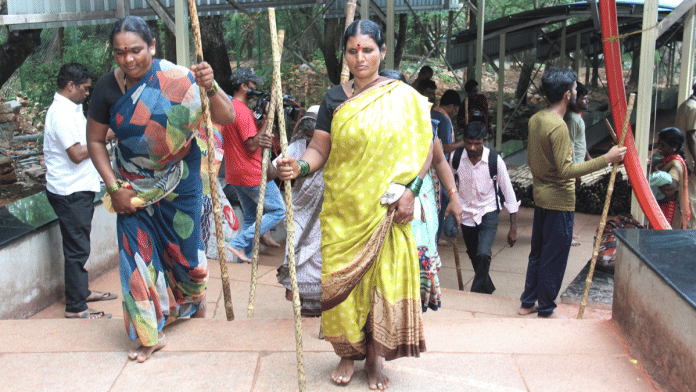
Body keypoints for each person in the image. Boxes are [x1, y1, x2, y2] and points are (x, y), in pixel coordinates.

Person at [277, 20, 431, 390]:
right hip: (343, 213)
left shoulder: (403, 96)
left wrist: (412, 190)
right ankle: (347, 354)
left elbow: (423, 149)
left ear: (382, 51)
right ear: (345, 54)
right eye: (352, 51)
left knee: (381, 284)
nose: (359, 58)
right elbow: (319, 149)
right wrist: (297, 166)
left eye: (367, 50)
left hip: (385, 210)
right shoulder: (333, 98)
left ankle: (375, 360)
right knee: (340, 288)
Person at [86, 16, 235, 362]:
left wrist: (210, 86)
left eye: (136, 50)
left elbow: (226, 117)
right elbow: (94, 141)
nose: (128, 59)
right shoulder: (107, 88)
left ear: (152, 46)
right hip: (131, 189)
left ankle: (193, 304)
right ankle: (148, 334)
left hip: (180, 184)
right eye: (120, 53)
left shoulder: (181, 78)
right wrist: (113, 187)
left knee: (186, 257)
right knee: (135, 258)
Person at [519, 67, 626, 318]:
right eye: (576, 89)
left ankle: (528, 302)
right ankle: (545, 307)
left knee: (538, 253)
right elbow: (567, 170)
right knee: (553, 257)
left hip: (541, 196)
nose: (578, 93)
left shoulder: (537, 119)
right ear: (567, 95)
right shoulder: (558, 127)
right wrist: (607, 159)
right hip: (558, 200)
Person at [385, 69, 463, 311]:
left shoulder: (422, 124)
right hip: (380, 202)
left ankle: (408, 315)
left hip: (419, 204)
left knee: (413, 264)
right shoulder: (367, 122)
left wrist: (454, 196)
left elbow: (439, 161)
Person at [44, 63, 118, 320]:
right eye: (85, 88)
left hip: (77, 189)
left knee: (79, 246)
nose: (88, 93)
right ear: (71, 86)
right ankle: (76, 307)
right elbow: (76, 154)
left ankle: (81, 291)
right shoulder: (60, 113)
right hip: (69, 191)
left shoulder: (72, 108)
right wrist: (103, 137)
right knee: (77, 249)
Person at [223, 67, 286, 263]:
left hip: (236, 174)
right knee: (278, 210)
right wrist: (267, 121)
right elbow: (251, 145)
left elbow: (249, 140)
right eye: (253, 85)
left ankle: (244, 259)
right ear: (244, 87)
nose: (256, 88)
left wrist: (263, 125)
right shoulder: (242, 111)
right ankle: (238, 244)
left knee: (251, 217)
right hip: (251, 173)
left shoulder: (230, 107)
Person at [267, 106, 323, 317]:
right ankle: (300, 304)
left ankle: (318, 304)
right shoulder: (297, 146)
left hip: (325, 212)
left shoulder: (336, 147)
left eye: (314, 138)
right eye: (308, 138)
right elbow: (271, 173)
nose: (310, 144)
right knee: (296, 252)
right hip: (300, 210)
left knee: (319, 258)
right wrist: (267, 157)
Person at [451, 122, 519, 294]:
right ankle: (486, 288)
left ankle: (475, 292)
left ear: (485, 141)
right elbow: (450, 184)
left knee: (483, 254)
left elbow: (508, 192)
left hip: (488, 211)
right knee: (474, 255)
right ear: (463, 140)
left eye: (477, 144)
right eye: (469, 143)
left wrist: (514, 227)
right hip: (466, 214)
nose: (473, 148)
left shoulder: (495, 160)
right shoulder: (456, 158)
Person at [196, 123, 240, 261]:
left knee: (206, 210)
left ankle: (201, 254)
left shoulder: (218, 129)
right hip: (197, 179)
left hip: (208, 181)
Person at [431, 89, 462, 246]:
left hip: (433, 167)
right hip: (437, 169)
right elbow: (447, 147)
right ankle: (436, 236)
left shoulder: (432, 112)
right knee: (441, 201)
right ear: (451, 106)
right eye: (455, 108)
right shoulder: (442, 119)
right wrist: (464, 142)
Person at [564, 81, 591, 246]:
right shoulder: (571, 120)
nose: (587, 101)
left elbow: (581, 141)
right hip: (573, 169)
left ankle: (569, 232)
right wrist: (575, 172)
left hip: (578, 166)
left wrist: (587, 156)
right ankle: (566, 234)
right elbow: (570, 146)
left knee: (571, 201)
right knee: (568, 202)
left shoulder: (577, 118)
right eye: (584, 98)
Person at [650, 127, 691, 229]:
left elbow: (668, 191)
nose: (659, 147)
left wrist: (656, 174)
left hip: (669, 210)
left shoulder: (675, 164)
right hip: (663, 207)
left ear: (674, 147)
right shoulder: (666, 159)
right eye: (658, 143)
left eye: (662, 145)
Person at [675, 82, 696, 229]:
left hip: (685, 160)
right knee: (691, 200)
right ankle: (690, 233)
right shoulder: (693, 108)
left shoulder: (686, 105)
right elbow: (691, 137)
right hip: (690, 162)